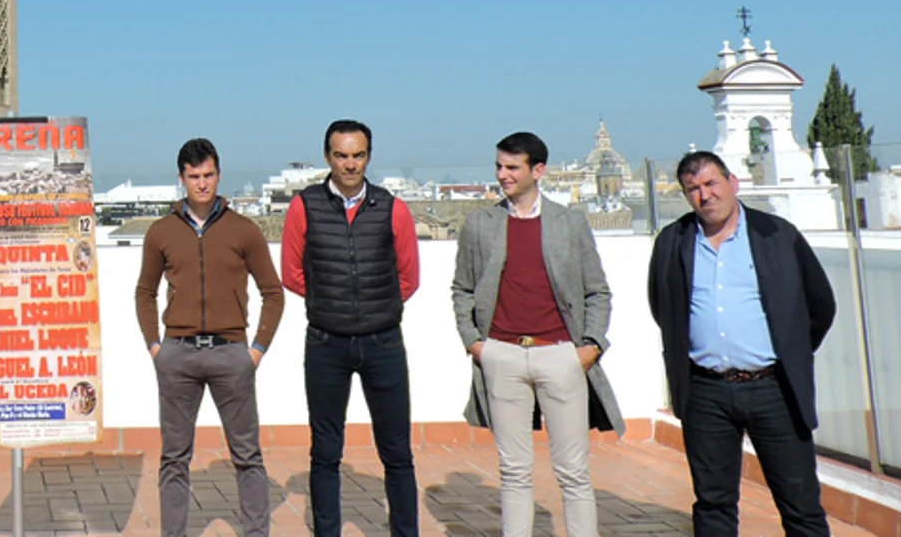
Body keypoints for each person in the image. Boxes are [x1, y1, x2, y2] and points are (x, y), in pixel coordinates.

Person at [649, 150, 837, 537]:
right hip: (705, 392)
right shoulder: (673, 241)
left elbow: (820, 305)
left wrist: (792, 354)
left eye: (711, 184)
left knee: (799, 503)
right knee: (713, 503)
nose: (705, 196)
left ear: (732, 183)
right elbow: (663, 307)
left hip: (774, 389)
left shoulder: (777, 235)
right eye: (693, 189)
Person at [451, 132, 625, 537]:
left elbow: (596, 289)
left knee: (574, 471)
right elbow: (462, 289)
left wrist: (591, 347)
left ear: (538, 170)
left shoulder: (570, 222)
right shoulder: (481, 223)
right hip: (503, 356)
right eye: (499, 166)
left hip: (561, 356)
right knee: (513, 471)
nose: (503, 175)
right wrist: (476, 344)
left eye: (512, 167)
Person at [135, 137, 285, 537]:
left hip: (231, 355)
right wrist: (156, 347)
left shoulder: (244, 230)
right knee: (174, 458)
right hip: (178, 356)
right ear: (182, 178)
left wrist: (255, 351)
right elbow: (144, 292)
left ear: (219, 174)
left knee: (247, 455)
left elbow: (273, 291)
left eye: (209, 175)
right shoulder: (160, 232)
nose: (202, 184)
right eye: (194, 176)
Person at [279, 119, 420, 537]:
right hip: (326, 344)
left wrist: (373, 308)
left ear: (369, 157)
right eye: (341, 155)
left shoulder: (393, 207)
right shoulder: (303, 206)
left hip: (384, 343)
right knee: (325, 452)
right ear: (328, 157)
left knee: (396, 453)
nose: (350, 164)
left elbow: (408, 277)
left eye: (358, 155)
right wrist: (332, 302)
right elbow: (292, 273)